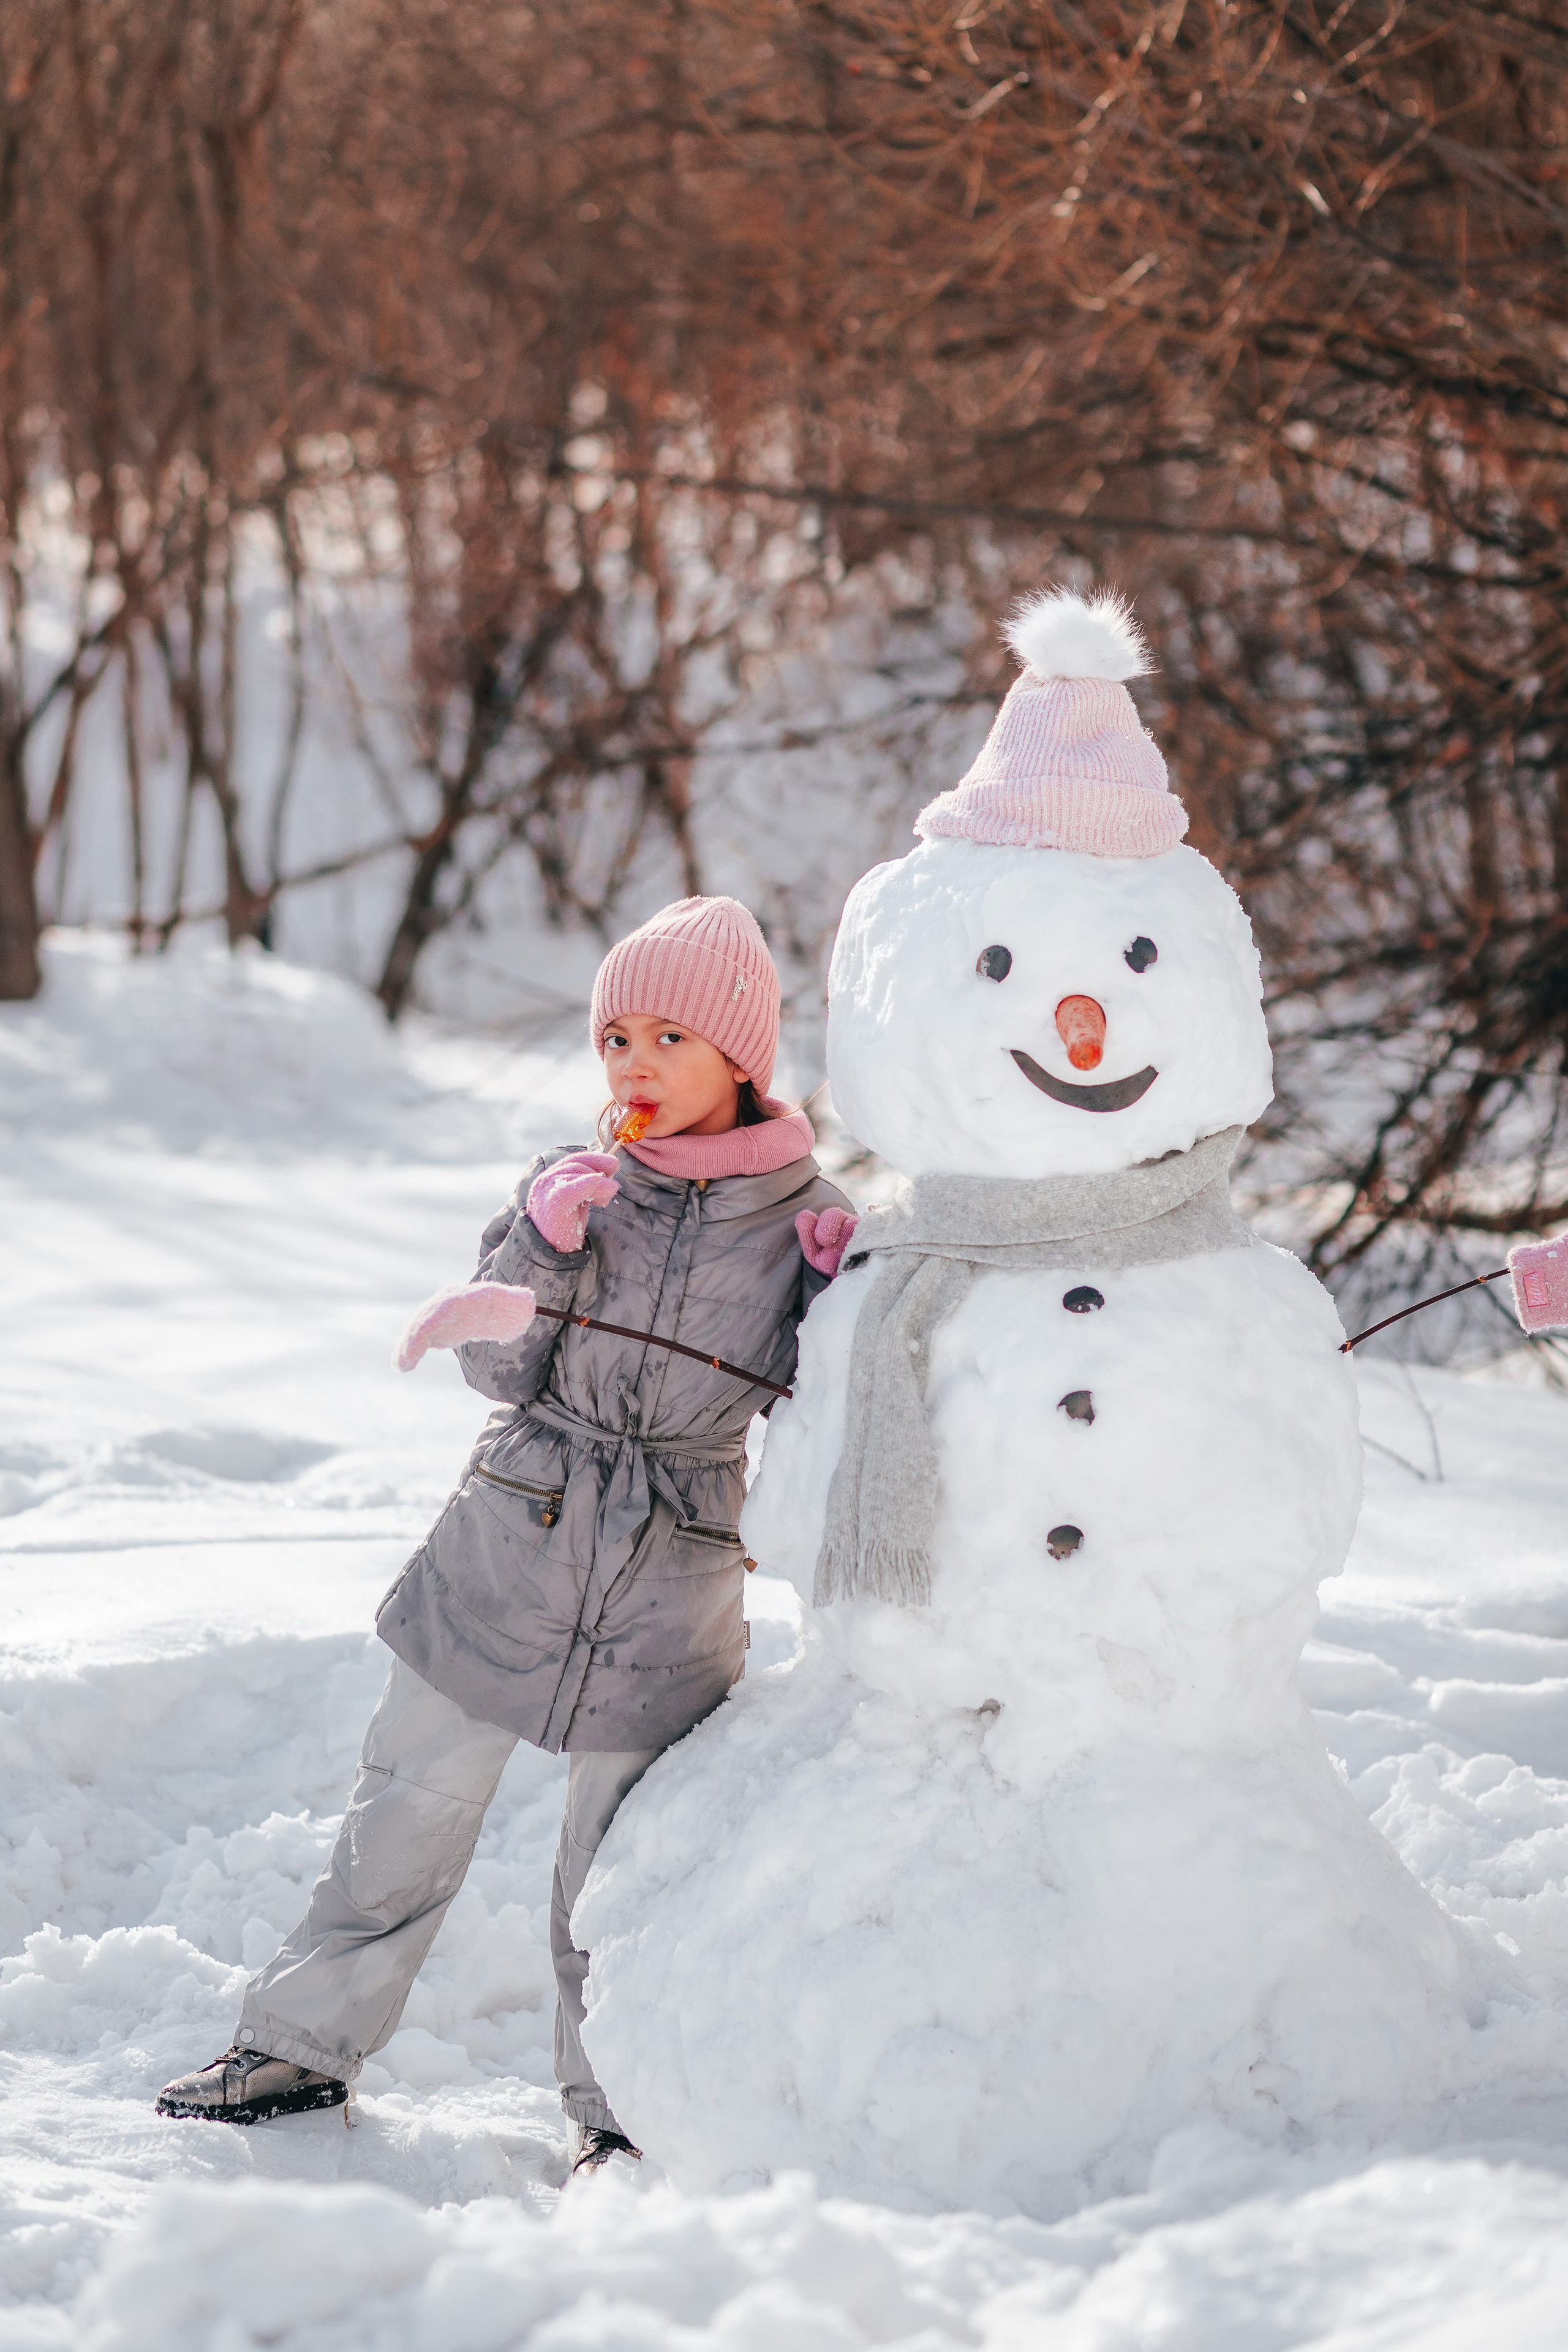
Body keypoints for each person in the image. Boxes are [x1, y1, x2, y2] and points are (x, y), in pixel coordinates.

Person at [156, 896, 856, 2173]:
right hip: (511, 1537)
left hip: (671, 1571)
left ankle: (617, 2109)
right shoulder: (576, 1184)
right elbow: (500, 1372)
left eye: (666, 1039)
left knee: (618, 1869)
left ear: (740, 1058)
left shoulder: (805, 1218)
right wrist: (542, 1245)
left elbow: (827, 1419)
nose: (632, 1067)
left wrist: (843, 1299)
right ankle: (297, 2047)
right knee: (402, 1816)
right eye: (614, 1041)